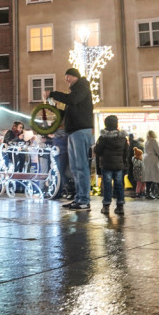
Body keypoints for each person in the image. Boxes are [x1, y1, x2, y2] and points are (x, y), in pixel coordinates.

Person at [49, 68, 95, 211]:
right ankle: (79, 198)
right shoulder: (75, 93)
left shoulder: (82, 88)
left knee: (81, 167)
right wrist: (55, 109)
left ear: (74, 76)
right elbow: (69, 111)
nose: (66, 79)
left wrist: (53, 94)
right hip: (74, 132)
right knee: (75, 168)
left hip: (80, 131)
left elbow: (73, 100)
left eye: (67, 76)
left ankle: (84, 200)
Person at [93, 115, 130, 215]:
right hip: (119, 166)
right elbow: (126, 152)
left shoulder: (103, 138)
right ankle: (120, 206)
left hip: (107, 165)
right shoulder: (123, 138)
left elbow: (97, 151)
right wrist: (124, 164)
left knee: (107, 186)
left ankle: (106, 206)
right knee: (119, 185)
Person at [143, 130, 159, 200]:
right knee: (158, 176)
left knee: (149, 177)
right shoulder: (153, 141)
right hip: (153, 160)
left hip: (146, 160)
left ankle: (147, 193)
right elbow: (157, 150)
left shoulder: (147, 141)